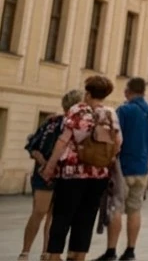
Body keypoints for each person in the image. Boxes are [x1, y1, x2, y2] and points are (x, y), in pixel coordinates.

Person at [41, 75, 122, 261]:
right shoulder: (110, 114)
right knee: (87, 217)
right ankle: (80, 256)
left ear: (87, 93)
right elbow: (118, 143)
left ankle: (54, 255)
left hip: (72, 173)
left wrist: (50, 166)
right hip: (98, 175)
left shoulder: (78, 110)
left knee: (62, 215)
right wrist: (106, 161)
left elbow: (63, 140)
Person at [95, 78, 148, 261]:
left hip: (122, 166)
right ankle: (130, 251)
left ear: (128, 91)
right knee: (135, 209)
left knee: (115, 207)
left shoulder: (124, 110)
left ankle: (111, 251)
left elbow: (114, 136)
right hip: (142, 167)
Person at [21, 90, 83, 261]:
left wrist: (42, 162)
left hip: (56, 175)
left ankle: (44, 252)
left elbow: (33, 146)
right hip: (50, 175)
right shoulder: (56, 123)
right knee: (41, 213)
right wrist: (46, 164)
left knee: (50, 216)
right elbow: (34, 146)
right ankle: (28, 252)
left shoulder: (58, 122)